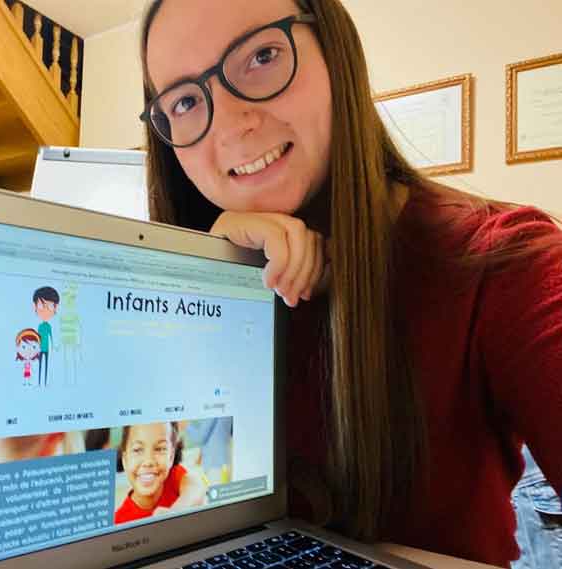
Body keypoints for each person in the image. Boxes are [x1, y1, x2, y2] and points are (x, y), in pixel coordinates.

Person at [138, 0, 562, 566]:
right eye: (186, 101)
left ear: (337, 54)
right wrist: (212, 279)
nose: (232, 125)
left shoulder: (502, 261)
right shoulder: (174, 291)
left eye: (262, 56)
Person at [115, 422, 206, 524]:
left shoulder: (173, 476)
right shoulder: (118, 521)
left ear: (171, 457)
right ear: (125, 460)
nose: (148, 461)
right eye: (137, 450)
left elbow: (196, 485)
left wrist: (175, 512)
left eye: (159, 449)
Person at [33, 286, 59, 386]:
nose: (45, 310)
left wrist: (54, 346)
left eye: (49, 307)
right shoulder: (40, 326)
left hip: (47, 348)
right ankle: (39, 382)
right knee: (40, 364)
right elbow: (37, 338)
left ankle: (45, 382)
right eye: (42, 306)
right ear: (35, 307)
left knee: (46, 364)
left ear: (55, 308)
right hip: (40, 348)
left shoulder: (48, 326)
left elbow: (51, 337)